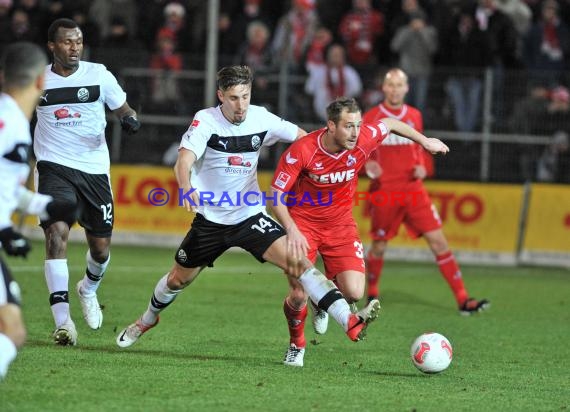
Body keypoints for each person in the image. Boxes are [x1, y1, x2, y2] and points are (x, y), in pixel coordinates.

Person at [115, 66, 381, 351]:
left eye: (245, 96)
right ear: (220, 96)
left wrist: (319, 166)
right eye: (233, 98)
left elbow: (305, 139)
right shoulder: (205, 121)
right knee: (177, 280)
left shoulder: (261, 117)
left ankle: (348, 320)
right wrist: (185, 187)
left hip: (250, 215)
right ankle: (147, 319)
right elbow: (184, 160)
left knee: (300, 263)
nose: (240, 105)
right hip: (211, 220)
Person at [269, 96, 450, 367]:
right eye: (348, 127)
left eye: (358, 125)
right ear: (331, 126)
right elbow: (276, 196)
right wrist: (292, 229)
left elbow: (389, 123)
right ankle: (297, 344)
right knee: (298, 295)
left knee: (353, 293)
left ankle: (323, 302)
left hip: (340, 225)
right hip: (303, 225)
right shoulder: (303, 151)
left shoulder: (363, 137)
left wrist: (425, 142)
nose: (355, 133)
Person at [34, 18, 141, 346]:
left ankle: (88, 288)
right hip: (54, 167)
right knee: (57, 233)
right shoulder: (37, 80)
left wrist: (130, 120)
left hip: (94, 171)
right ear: (52, 46)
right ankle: (63, 322)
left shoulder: (98, 74)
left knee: (100, 248)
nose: (75, 47)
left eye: (78, 41)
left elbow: (123, 108)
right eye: (67, 42)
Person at [362, 68, 490, 315]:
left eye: (400, 85)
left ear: (407, 88)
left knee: (439, 242)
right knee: (378, 246)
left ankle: (464, 300)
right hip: (386, 191)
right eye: (391, 85)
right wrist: (367, 165)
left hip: (413, 191)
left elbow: (420, 149)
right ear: (384, 88)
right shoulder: (371, 117)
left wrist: (422, 167)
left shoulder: (414, 116)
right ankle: (373, 295)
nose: (395, 89)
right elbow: (359, 152)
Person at [0, 41, 54, 379]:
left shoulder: (12, 119)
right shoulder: (10, 123)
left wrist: (45, 204)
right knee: (13, 331)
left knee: (12, 326)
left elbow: (7, 190)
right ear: (40, 82)